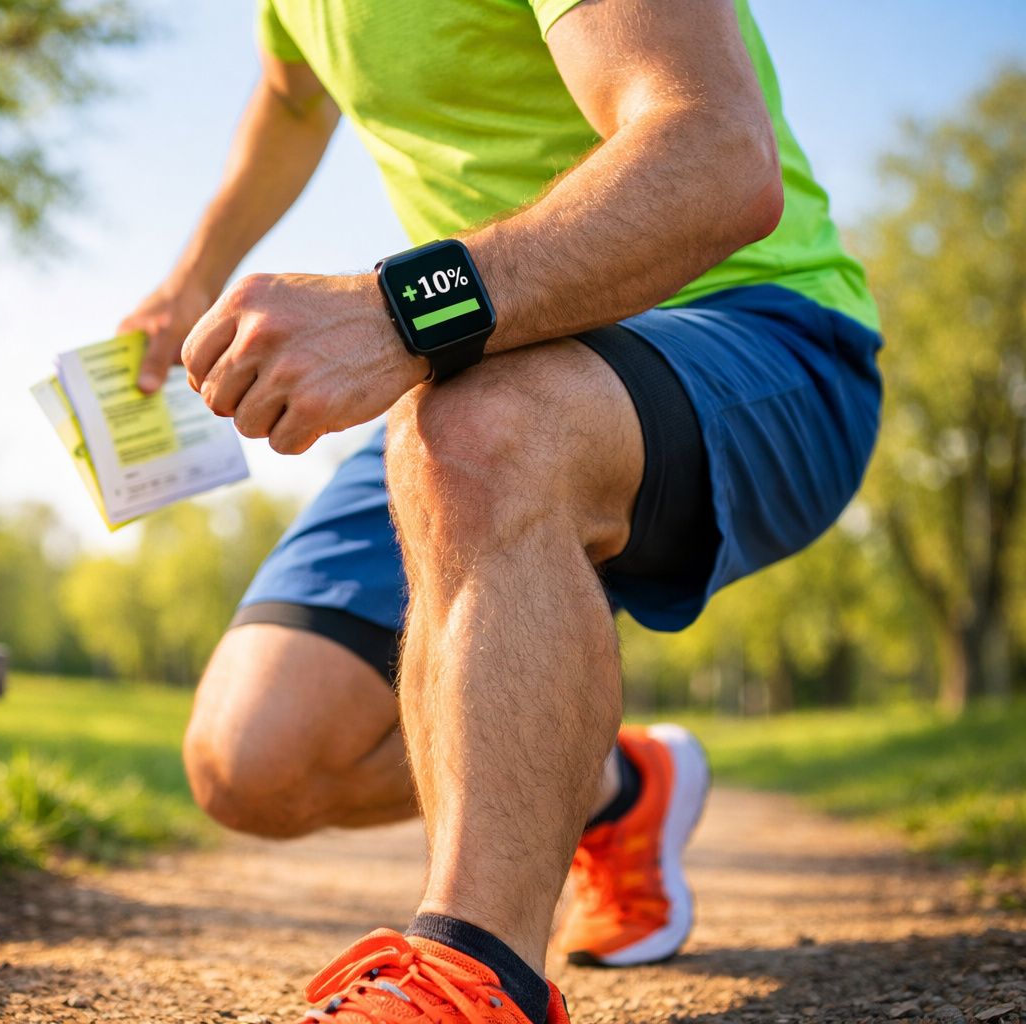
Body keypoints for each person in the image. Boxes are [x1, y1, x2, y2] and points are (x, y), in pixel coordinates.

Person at [119, 0, 882, 1020]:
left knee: (479, 431)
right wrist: (189, 281)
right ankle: (615, 786)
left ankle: (479, 973)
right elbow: (289, 98)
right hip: (487, 353)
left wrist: (401, 308)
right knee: (253, 760)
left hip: (758, 327)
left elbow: (716, 156)